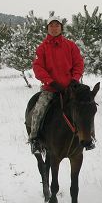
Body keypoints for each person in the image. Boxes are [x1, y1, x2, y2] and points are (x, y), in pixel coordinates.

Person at [28, 16, 84, 154]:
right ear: (47, 28)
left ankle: (88, 138)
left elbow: (78, 63)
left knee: (86, 108)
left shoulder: (70, 45)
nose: (54, 28)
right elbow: (38, 67)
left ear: (61, 28)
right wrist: (50, 81)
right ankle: (34, 139)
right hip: (51, 89)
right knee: (38, 111)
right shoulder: (42, 48)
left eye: (57, 25)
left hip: (70, 88)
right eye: (51, 26)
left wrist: (75, 79)